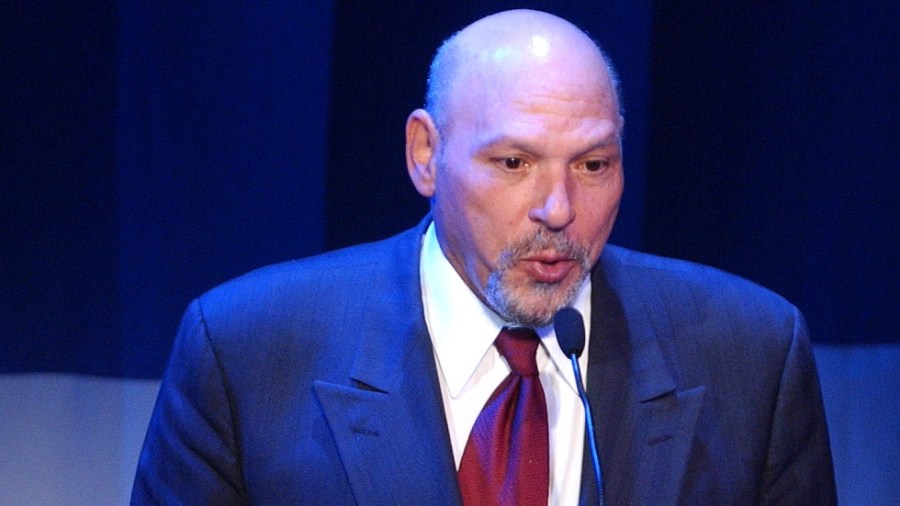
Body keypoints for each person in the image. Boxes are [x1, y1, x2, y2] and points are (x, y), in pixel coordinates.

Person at [132, 9, 836, 505]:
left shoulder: (753, 354)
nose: (557, 208)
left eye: (593, 165)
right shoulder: (247, 351)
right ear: (426, 154)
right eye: (513, 161)